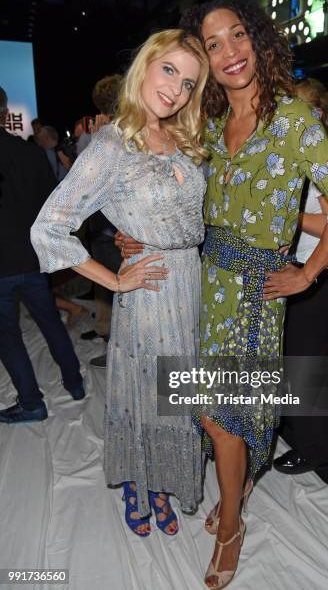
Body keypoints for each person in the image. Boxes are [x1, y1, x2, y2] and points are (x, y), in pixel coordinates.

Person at [121, 0, 328, 588]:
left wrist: (308, 274)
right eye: (213, 43)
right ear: (202, 58)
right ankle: (242, 485)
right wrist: (137, 237)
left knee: (219, 418)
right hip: (203, 282)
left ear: (257, 41)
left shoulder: (291, 119)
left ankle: (230, 524)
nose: (229, 52)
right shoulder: (203, 123)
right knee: (216, 413)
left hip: (256, 294)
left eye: (238, 36)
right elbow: (169, 193)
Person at [31, 30, 209, 538]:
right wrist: (112, 276)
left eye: (189, 83)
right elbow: (49, 226)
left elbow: (192, 217)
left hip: (190, 283)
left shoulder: (187, 140)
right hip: (149, 289)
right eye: (169, 71)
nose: (176, 90)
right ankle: (138, 479)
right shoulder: (112, 144)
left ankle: (162, 482)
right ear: (146, 66)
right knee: (147, 391)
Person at [273, 78, 328, 476]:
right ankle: (298, 426)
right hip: (314, 271)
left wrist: (285, 219)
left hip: (321, 274)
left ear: (316, 115)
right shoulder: (309, 152)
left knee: (305, 364)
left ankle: (315, 448)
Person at [0, 86, 84, 425]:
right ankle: (75, 383)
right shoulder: (30, 152)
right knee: (50, 322)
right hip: (33, 256)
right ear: (5, 113)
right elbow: (50, 204)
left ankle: (32, 403)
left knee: (8, 337)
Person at [80, 74, 124, 368]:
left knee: (117, 292)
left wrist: (96, 142)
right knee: (111, 290)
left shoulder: (109, 136)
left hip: (113, 229)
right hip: (112, 229)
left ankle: (116, 352)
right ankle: (110, 341)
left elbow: (87, 184)